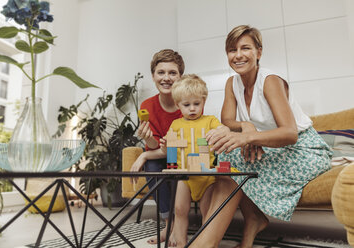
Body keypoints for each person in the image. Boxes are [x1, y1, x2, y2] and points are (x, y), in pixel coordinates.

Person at [193, 25, 333, 248]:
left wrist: (248, 138)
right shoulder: (232, 83)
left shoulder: (270, 81)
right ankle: (250, 223)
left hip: (304, 150)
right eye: (232, 50)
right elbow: (227, 121)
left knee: (237, 160)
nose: (238, 55)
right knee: (229, 157)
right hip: (272, 146)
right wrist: (246, 126)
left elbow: (289, 133)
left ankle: (206, 243)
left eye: (245, 48)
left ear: (259, 52)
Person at [129, 49, 184, 245]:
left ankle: (177, 227)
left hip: (182, 154)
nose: (166, 78)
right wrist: (149, 139)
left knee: (162, 165)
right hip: (158, 155)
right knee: (154, 168)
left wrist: (143, 156)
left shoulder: (188, 103)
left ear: (180, 77)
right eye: (161, 72)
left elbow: (178, 149)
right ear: (153, 76)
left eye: (172, 73)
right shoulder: (147, 105)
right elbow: (153, 146)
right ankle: (169, 225)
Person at [164, 74, 223, 247]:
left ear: (204, 101)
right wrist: (165, 147)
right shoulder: (175, 125)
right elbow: (170, 150)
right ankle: (181, 243)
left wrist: (222, 130)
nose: (192, 109)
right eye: (186, 105)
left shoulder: (210, 120)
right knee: (180, 211)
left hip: (206, 176)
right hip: (184, 176)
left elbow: (222, 130)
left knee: (208, 212)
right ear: (177, 105)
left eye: (196, 104)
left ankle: (207, 243)